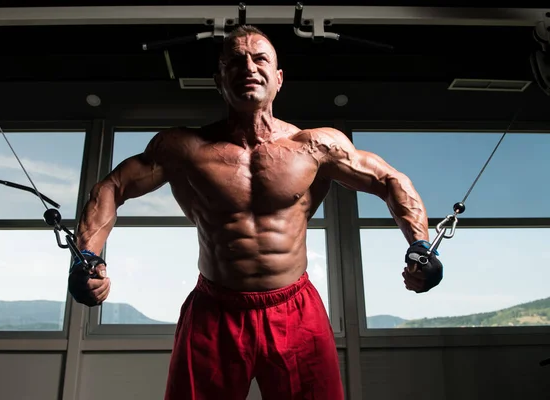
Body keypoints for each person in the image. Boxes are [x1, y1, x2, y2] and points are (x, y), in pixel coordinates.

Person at [68, 25, 443, 400]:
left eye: (260, 58)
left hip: (295, 310)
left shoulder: (314, 146)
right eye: (235, 60)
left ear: (279, 79)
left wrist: (420, 247)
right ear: (219, 80)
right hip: (214, 311)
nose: (248, 66)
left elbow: (388, 180)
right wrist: (87, 257)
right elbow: (112, 188)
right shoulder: (184, 148)